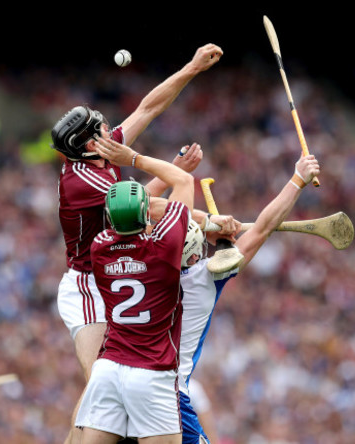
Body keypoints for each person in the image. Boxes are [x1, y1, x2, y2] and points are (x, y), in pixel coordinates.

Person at [49, 43, 224, 444]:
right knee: (100, 380)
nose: (107, 126)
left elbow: (148, 107)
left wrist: (192, 67)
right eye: (99, 128)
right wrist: (205, 220)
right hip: (89, 284)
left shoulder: (97, 155)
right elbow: (145, 207)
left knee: (113, 378)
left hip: (114, 273)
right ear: (90, 145)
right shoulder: (86, 180)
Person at [151, 150, 320, 443]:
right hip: (169, 392)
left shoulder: (142, 269)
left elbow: (146, 208)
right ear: (196, 251)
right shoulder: (208, 277)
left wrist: (207, 223)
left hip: (128, 381)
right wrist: (298, 179)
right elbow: (264, 227)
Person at [75, 135, 194, 443]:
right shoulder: (165, 247)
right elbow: (183, 181)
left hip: (109, 369)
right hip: (152, 372)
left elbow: (142, 210)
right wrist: (133, 158)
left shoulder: (99, 247)